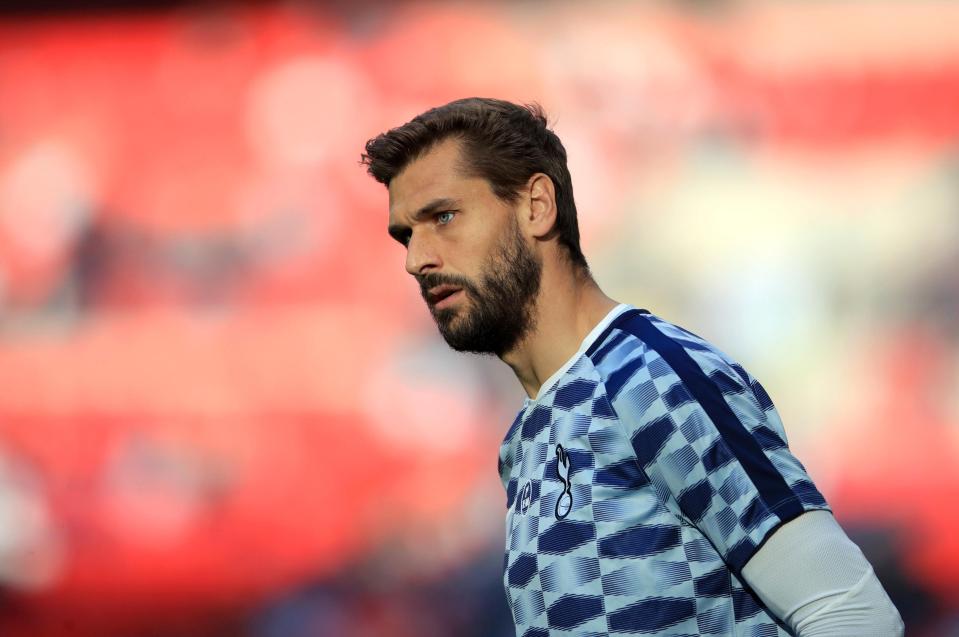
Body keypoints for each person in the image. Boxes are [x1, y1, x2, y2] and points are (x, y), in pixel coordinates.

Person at [361, 98, 904, 636]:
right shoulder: (524, 442)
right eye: (406, 234)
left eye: (443, 217)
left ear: (536, 206)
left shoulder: (653, 379)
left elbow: (854, 615)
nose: (417, 259)